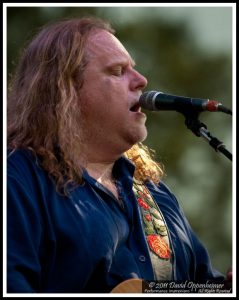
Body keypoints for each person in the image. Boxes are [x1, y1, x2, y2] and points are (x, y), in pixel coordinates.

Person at [7, 17, 232, 293]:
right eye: (117, 71)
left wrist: (224, 289)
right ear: (65, 91)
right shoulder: (18, 179)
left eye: (134, 70)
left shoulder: (157, 194)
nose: (141, 81)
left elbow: (198, 286)